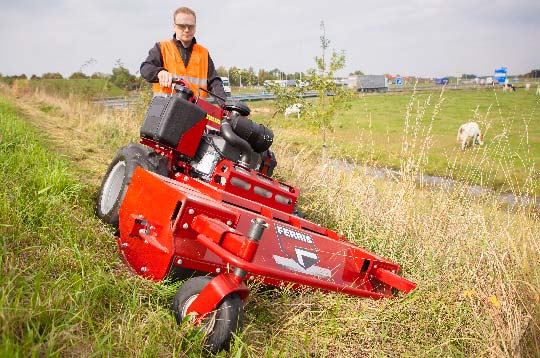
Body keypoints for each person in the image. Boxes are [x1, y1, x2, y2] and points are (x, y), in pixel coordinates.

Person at [140, 7, 226, 100]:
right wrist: (159, 73)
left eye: (190, 26)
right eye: (182, 26)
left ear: (195, 27)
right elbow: (145, 68)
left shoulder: (203, 53)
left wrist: (226, 104)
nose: (186, 30)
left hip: (195, 112)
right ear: (174, 26)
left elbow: (214, 82)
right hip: (166, 111)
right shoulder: (161, 47)